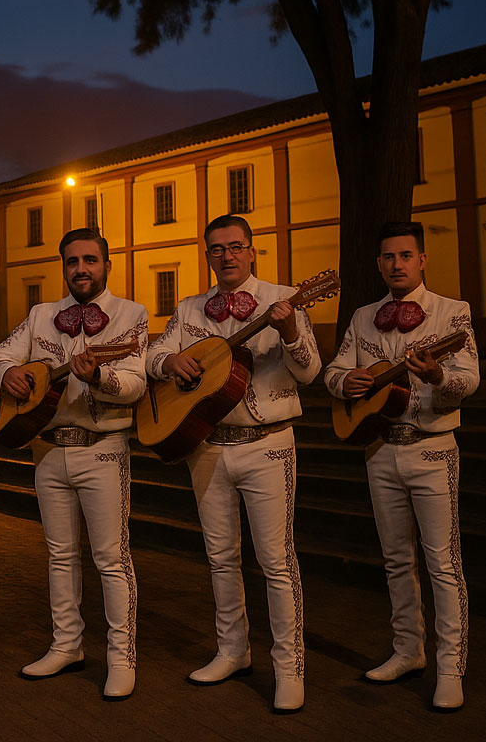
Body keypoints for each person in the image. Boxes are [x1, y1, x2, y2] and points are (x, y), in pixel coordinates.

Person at [146, 214, 320, 713]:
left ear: (252, 251)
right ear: (208, 255)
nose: (226, 255)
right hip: (206, 444)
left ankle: (289, 668)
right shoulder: (190, 308)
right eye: (216, 249)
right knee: (220, 557)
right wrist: (168, 363)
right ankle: (232, 650)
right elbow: (155, 351)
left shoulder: (285, 299)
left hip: (268, 444)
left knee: (276, 563)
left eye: (235, 247)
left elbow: (309, 372)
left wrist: (289, 332)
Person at [0, 228, 147, 701]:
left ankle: (121, 658)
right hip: (48, 450)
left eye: (91, 260)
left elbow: (136, 385)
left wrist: (99, 375)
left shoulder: (131, 316)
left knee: (111, 560)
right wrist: (9, 372)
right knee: (59, 556)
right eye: (73, 261)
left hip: (103, 450)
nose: (81, 269)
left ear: (107, 265)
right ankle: (66, 644)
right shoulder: (40, 315)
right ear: (64, 267)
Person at [324, 221, 479, 711]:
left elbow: (469, 379)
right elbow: (333, 369)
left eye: (405, 256)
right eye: (388, 257)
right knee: (396, 560)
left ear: (422, 260)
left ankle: (450, 667)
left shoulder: (454, 314)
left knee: (442, 563)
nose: (396, 264)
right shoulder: (363, 316)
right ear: (379, 264)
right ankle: (408, 650)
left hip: (432, 448)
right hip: (379, 448)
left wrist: (437, 376)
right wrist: (343, 381)